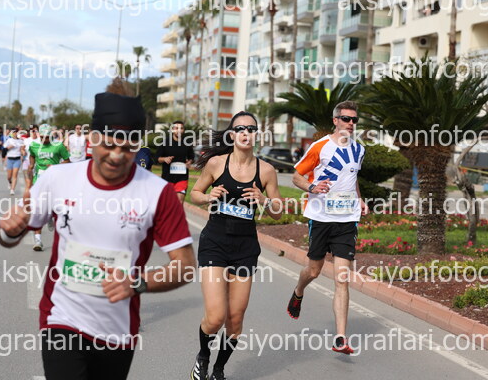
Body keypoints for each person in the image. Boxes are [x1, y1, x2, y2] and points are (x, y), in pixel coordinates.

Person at [0, 92, 196, 380]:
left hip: (117, 329)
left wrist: (137, 283)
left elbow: (185, 266)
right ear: (92, 138)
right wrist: (9, 230)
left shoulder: (158, 192)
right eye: (109, 144)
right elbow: (8, 236)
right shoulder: (58, 178)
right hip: (61, 318)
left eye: (127, 147)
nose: (116, 155)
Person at [189, 111, 282, 380]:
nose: (245, 133)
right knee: (215, 317)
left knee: (235, 320)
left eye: (250, 129)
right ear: (231, 134)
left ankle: (218, 370)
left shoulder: (266, 170)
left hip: (245, 248)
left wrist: (264, 201)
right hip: (214, 243)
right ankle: (203, 357)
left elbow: (278, 211)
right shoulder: (216, 164)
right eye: (240, 128)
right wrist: (208, 197)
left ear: (256, 135)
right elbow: (195, 193)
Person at [286, 101, 368, 355]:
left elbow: (351, 178)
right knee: (314, 270)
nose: (350, 123)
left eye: (354, 120)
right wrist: (312, 187)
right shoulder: (319, 147)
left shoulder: (359, 149)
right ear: (335, 120)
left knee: (342, 278)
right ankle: (298, 291)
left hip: (347, 220)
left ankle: (340, 338)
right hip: (321, 217)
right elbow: (297, 176)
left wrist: (359, 199)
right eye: (346, 119)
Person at [27, 123, 70, 251]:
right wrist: (31, 166)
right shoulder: (34, 145)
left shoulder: (58, 146)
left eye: (47, 137)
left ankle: (50, 216)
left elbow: (68, 161)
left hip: (54, 181)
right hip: (39, 180)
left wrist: (56, 166)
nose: (44, 139)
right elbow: (32, 156)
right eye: (42, 137)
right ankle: (38, 240)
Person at [156, 121, 195, 203]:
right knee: (168, 203)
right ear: (172, 130)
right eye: (176, 128)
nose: (179, 130)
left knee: (179, 202)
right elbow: (157, 158)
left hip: (182, 178)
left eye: (181, 128)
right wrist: (165, 159)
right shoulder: (165, 142)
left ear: (184, 130)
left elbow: (191, 157)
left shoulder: (187, 143)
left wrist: (189, 162)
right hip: (167, 178)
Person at [3, 128, 24, 195]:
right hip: (10, 159)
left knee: (15, 175)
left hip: (17, 159)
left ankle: (12, 189)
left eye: (16, 132)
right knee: (9, 176)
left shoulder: (21, 141)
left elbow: (22, 149)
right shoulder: (9, 140)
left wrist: (23, 153)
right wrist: (9, 147)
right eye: (13, 132)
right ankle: (10, 182)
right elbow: (4, 150)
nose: (15, 134)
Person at [21, 124, 40, 191]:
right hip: (27, 162)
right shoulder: (26, 140)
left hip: (37, 164)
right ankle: (28, 196)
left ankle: (33, 195)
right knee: (28, 183)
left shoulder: (40, 140)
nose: (33, 132)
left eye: (35, 131)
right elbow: (22, 149)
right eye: (32, 131)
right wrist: (23, 151)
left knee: (35, 183)